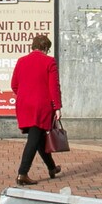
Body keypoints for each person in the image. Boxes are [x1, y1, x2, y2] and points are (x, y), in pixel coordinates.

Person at [9, 33, 63, 186]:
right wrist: (57, 107)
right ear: (45, 48)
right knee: (33, 139)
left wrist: (25, 95)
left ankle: (52, 168)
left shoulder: (21, 61)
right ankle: (22, 173)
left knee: (38, 137)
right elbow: (54, 87)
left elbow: (14, 84)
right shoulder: (49, 61)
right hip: (41, 105)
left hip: (23, 104)